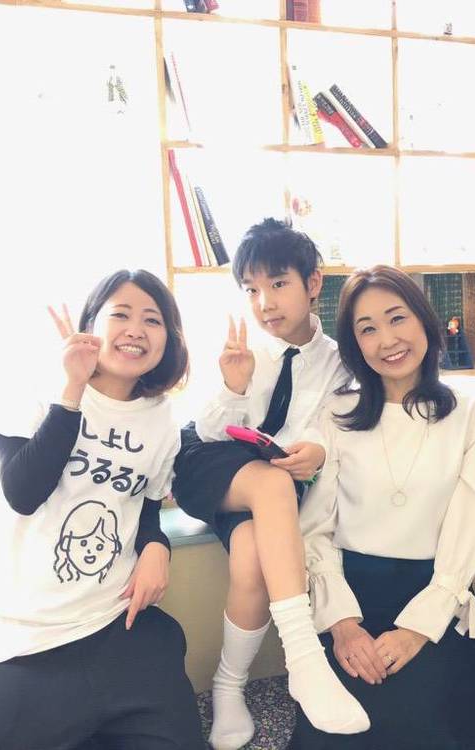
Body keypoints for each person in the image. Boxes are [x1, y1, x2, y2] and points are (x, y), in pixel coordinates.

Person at [0, 269, 205, 750]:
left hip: (114, 624)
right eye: (121, 315)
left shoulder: (161, 418)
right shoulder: (32, 388)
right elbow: (23, 492)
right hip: (21, 638)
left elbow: (145, 505)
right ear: (91, 324)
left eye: (152, 320)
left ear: (169, 339)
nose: (136, 330)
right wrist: (70, 391)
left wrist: (157, 546)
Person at [172, 218, 368, 749]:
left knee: (251, 559)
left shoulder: (339, 362)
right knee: (272, 488)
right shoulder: (242, 349)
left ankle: (227, 686)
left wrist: (319, 451)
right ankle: (305, 659)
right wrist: (234, 388)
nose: (264, 303)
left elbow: (337, 428)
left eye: (278, 284)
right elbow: (208, 430)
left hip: (275, 476)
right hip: (209, 463)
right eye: (251, 289)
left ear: (313, 282)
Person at [290, 264, 475, 749]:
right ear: (355, 345)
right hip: (348, 597)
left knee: (424, 726)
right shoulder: (336, 414)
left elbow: (468, 528)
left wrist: (416, 631)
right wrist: (343, 626)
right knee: (339, 729)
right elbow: (317, 528)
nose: (387, 340)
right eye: (368, 329)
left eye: (397, 318)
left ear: (424, 319)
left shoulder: (472, 414)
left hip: (437, 597)